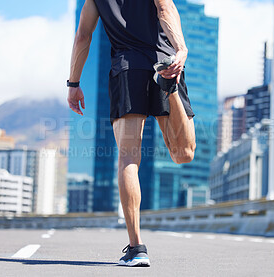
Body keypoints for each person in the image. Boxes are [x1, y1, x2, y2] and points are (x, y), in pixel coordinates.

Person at [67, 0, 196, 267]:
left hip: (127, 69)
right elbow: (164, 9)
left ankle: (137, 248)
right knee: (183, 154)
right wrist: (180, 48)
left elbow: (83, 36)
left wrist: (73, 83)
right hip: (165, 60)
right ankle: (168, 87)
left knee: (128, 158)